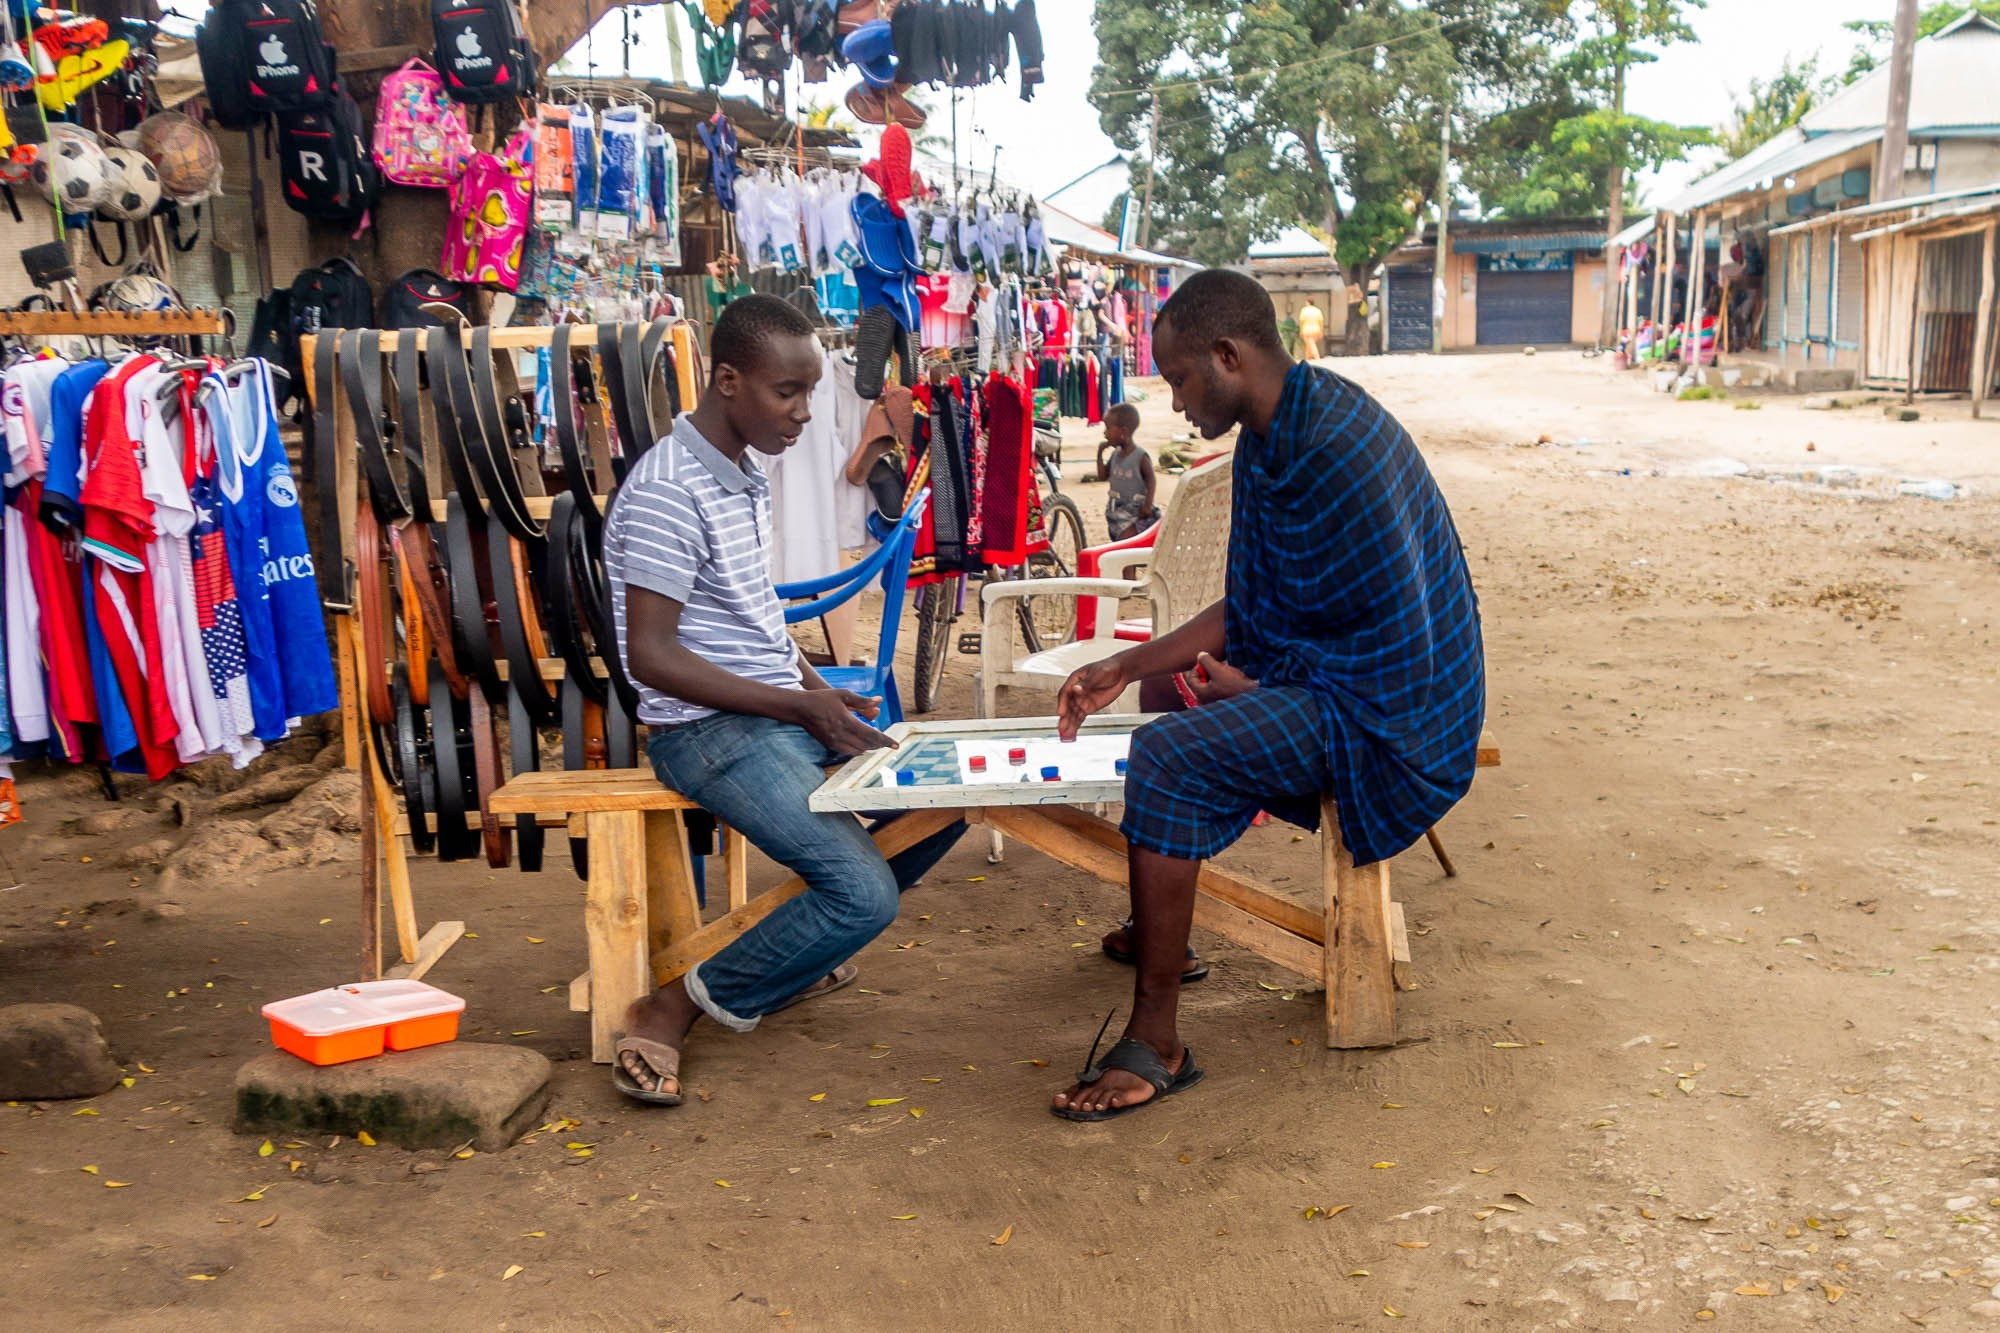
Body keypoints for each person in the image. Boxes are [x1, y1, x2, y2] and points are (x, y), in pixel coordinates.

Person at [1049, 269, 1485, 1121]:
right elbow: (1255, 605)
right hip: (1338, 680)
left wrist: (1264, 684)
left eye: (1178, 378)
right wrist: (1124, 668)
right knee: (1161, 705)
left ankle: (1157, 1037)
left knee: (1167, 757)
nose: (1174, 402)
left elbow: (1401, 638)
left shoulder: (1339, 444)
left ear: (1227, 355)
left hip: (1397, 714)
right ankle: (1157, 928)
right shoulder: (1272, 438)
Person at [602, 294, 964, 1107]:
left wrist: (815, 690)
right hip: (706, 732)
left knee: (953, 796)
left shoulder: (742, 471)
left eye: (808, 392)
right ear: (727, 381)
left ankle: (789, 954)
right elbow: (652, 657)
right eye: (787, 393)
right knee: (862, 892)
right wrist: (797, 707)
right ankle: (670, 1007)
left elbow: (754, 624)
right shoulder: (669, 489)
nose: (805, 413)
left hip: (768, 709)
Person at [1093, 403, 1157, 541]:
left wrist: (1147, 506)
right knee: (1120, 548)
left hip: (1135, 514)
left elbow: (1151, 480)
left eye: (1108, 428)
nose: (1105, 433)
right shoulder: (1116, 454)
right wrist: (1099, 454)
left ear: (1124, 432)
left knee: (1124, 546)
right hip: (1116, 511)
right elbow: (1102, 476)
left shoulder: (1140, 456)